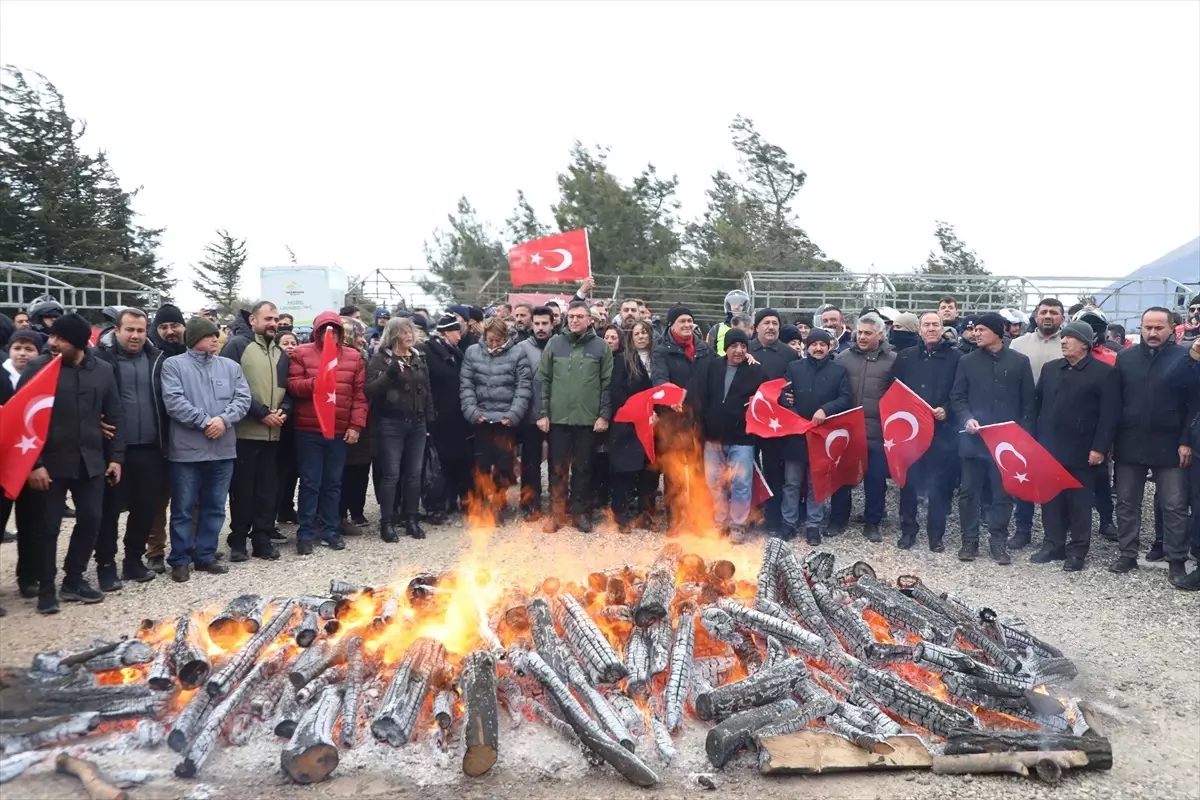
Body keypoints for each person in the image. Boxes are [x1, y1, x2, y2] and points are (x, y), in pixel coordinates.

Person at [18, 314, 124, 613]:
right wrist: (33, 464)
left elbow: (115, 417)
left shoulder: (103, 371)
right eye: (52, 337)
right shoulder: (38, 368)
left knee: (91, 519)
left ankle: (73, 579)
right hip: (49, 465)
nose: (51, 342)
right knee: (48, 527)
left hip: (91, 461)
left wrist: (116, 458)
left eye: (59, 338)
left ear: (76, 342)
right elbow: (22, 418)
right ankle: (47, 589)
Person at [160, 316, 250, 582]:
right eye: (210, 334)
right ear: (195, 338)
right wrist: (203, 422)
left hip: (223, 450)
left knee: (215, 506)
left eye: (216, 334)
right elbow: (174, 401)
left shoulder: (230, 367)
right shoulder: (173, 366)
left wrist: (224, 420)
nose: (215, 338)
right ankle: (180, 559)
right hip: (187, 451)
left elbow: (243, 398)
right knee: (183, 507)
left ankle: (205, 556)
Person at [1109, 307, 1195, 585]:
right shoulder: (1125, 358)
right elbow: (1115, 402)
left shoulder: (1185, 358)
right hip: (1130, 441)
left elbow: (1193, 405)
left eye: (1159, 328)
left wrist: (1185, 441)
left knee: (1174, 505)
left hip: (1170, 444)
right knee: (1126, 502)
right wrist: (1110, 441)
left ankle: (1176, 559)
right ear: (1141, 328)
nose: (1153, 333)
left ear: (1172, 328)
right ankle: (1127, 553)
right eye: (1147, 328)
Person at [1030, 321, 1119, 571]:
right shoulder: (1050, 369)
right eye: (1063, 338)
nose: (1064, 341)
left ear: (1084, 343)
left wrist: (1100, 448)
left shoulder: (1104, 373)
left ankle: (1078, 550)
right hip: (1048, 448)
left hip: (1082, 450)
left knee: (1079, 503)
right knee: (1051, 500)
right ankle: (1053, 545)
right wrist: (1032, 441)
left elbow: (1109, 415)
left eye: (1069, 338)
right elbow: (1037, 406)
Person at [950, 312, 1035, 565]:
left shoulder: (1020, 362)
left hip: (1006, 445)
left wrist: (1022, 439)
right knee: (968, 492)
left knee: (1003, 493)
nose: (976, 333)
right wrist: (967, 418)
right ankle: (970, 540)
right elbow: (958, 397)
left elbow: (1028, 405)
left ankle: (998, 541)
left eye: (982, 329)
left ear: (998, 332)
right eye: (974, 329)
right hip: (973, 441)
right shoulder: (967, 361)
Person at [91, 308, 166, 589]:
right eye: (130, 330)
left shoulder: (156, 359)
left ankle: (133, 560)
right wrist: (92, 421)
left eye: (140, 330)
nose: (135, 335)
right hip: (112, 450)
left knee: (145, 508)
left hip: (150, 448)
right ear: (117, 330)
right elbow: (82, 397)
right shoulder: (99, 358)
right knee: (109, 511)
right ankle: (106, 566)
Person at [287, 312, 368, 554]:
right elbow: (293, 385)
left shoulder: (353, 357)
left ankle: (331, 531)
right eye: (324, 329)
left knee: (333, 483)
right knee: (310, 483)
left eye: (334, 329)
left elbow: (359, 396)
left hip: (339, 430)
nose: (328, 333)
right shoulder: (302, 353)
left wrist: (355, 426)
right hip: (309, 429)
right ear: (317, 331)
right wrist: (317, 382)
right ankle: (306, 533)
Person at [219, 301, 289, 562]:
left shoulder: (280, 353)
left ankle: (261, 539)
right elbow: (230, 387)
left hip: (273, 435)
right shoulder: (237, 345)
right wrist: (261, 412)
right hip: (245, 433)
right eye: (268, 318)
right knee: (243, 491)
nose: (273, 323)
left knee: (267, 490)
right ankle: (238, 540)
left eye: (276, 319)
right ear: (253, 321)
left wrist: (285, 411)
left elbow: (288, 389)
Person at [538, 301, 613, 533]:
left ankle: (581, 513)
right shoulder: (555, 344)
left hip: (588, 420)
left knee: (584, 469)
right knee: (557, 468)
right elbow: (543, 380)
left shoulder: (601, 347)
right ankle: (557, 513)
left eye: (580, 316)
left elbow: (607, 384)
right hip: (559, 419)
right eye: (571, 316)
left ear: (590, 320)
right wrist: (543, 413)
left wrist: (603, 415)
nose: (574, 320)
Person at [892, 312, 963, 552]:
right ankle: (908, 530)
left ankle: (936, 535)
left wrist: (947, 409)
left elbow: (960, 392)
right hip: (910, 434)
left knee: (940, 486)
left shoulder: (957, 358)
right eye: (926, 325)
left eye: (936, 324)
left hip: (942, 433)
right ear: (919, 330)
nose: (931, 328)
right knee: (909, 483)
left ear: (943, 328)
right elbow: (894, 391)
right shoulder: (904, 358)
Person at [689, 328, 766, 543]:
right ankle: (720, 520)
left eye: (743, 346)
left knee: (741, 483)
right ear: (726, 348)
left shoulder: (755, 371)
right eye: (734, 346)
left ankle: (738, 525)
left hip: (742, 438)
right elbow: (699, 395)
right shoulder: (711, 367)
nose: (739, 350)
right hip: (712, 437)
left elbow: (767, 399)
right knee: (714, 482)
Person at [778, 329, 852, 544]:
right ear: (807, 346)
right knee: (791, 482)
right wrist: (784, 399)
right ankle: (788, 522)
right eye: (814, 344)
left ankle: (813, 525)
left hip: (822, 435)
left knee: (816, 483)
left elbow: (846, 399)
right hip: (796, 435)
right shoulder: (794, 368)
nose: (818, 348)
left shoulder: (838, 371)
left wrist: (825, 410)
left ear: (829, 347)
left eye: (822, 344)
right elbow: (782, 394)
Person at [367, 317, 434, 542]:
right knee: (391, 474)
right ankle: (387, 522)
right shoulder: (381, 359)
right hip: (391, 423)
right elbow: (371, 390)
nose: (410, 335)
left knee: (414, 474)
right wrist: (391, 373)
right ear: (394, 335)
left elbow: (426, 388)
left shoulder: (418, 356)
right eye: (405, 332)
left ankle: (411, 518)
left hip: (417, 422)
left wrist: (429, 416)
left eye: (411, 332)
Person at [1008, 298, 1067, 549]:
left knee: (1052, 476)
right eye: (1043, 311)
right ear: (1034, 316)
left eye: (1054, 312)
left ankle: (1055, 534)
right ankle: (1023, 529)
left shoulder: (1068, 344)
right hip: (1023, 417)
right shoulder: (1018, 344)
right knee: (1025, 474)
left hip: (1057, 419)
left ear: (1062, 319)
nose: (1048, 316)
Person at [831, 314, 896, 541]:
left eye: (868, 333)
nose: (862, 337)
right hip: (848, 430)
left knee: (875, 480)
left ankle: (872, 523)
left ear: (880, 334)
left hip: (877, 432)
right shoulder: (842, 358)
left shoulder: (893, 360)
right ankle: (838, 520)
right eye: (860, 332)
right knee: (842, 478)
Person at [461, 316, 531, 523]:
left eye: (498, 340)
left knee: (503, 464)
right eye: (490, 340)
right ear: (484, 337)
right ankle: (480, 504)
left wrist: (513, 414)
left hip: (505, 419)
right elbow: (466, 385)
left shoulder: (517, 353)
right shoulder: (472, 352)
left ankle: (499, 503)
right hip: (481, 418)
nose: (494, 344)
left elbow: (523, 386)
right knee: (481, 463)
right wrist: (472, 412)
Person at [652, 305, 714, 533]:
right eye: (682, 321)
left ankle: (699, 520)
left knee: (699, 473)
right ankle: (675, 520)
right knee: (674, 474)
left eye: (690, 320)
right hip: (674, 422)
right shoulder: (661, 350)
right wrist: (670, 396)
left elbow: (718, 369)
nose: (687, 325)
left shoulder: (704, 348)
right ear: (672, 324)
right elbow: (659, 378)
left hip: (699, 421)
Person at [143, 304, 187, 574]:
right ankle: (155, 551)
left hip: (190, 438)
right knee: (157, 501)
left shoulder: (194, 352)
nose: (170, 331)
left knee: (190, 499)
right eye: (163, 327)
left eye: (174, 325)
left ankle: (189, 546)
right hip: (158, 439)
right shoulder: (151, 358)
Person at [2, 329, 45, 599]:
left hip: (33, 463)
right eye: (18, 347)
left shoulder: (44, 378)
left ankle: (28, 578)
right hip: (3, 463)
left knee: (32, 525)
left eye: (29, 349)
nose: (22, 353)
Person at [749, 308, 799, 533]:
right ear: (756, 327)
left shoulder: (788, 354)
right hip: (749, 420)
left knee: (774, 472)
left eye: (775, 323)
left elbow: (794, 383)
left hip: (776, 424)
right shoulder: (745, 349)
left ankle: (773, 520)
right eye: (766, 323)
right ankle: (752, 516)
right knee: (749, 470)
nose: (771, 327)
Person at [609, 321, 660, 533]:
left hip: (655, 424)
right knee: (626, 470)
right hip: (629, 424)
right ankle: (621, 514)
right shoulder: (622, 361)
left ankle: (645, 514)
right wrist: (639, 412)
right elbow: (617, 392)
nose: (641, 337)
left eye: (645, 333)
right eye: (637, 333)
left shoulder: (660, 361)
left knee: (650, 471)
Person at [422, 315, 472, 515]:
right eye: (456, 332)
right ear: (445, 333)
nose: (460, 336)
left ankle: (459, 497)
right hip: (439, 417)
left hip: (457, 417)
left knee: (460, 458)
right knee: (441, 461)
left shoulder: (455, 352)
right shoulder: (428, 351)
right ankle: (440, 502)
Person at [516, 307, 554, 521]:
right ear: (532, 324)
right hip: (530, 416)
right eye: (537, 324)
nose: (540, 328)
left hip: (557, 415)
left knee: (557, 461)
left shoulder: (560, 346)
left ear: (552, 324)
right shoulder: (521, 348)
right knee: (530, 463)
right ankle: (530, 503)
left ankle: (558, 503)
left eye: (544, 324)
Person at [339, 317, 373, 532]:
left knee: (359, 468)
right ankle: (339, 515)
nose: (363, 339)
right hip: (345, 420)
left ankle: (355, 511)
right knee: (342, 471)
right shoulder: (342, 357)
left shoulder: (364, 355)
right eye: (359, 334)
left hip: (363, 420)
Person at [274, 330, 301, 528]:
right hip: (279, 422)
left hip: (298, 425)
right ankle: (275, 509)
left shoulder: (301, 365)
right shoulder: (275, 366)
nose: (290, 346)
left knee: (293, 471)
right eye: (285, 343)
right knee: (278, 472)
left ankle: (286, 508)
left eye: (293, 342)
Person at [707, 289, 751, 355]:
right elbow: (708, 351)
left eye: (740, 305)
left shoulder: (751, 328)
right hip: (721, 364)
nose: (736, 307)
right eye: (733, 304)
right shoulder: (717, 328)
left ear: (745, 306)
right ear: (728, 306)